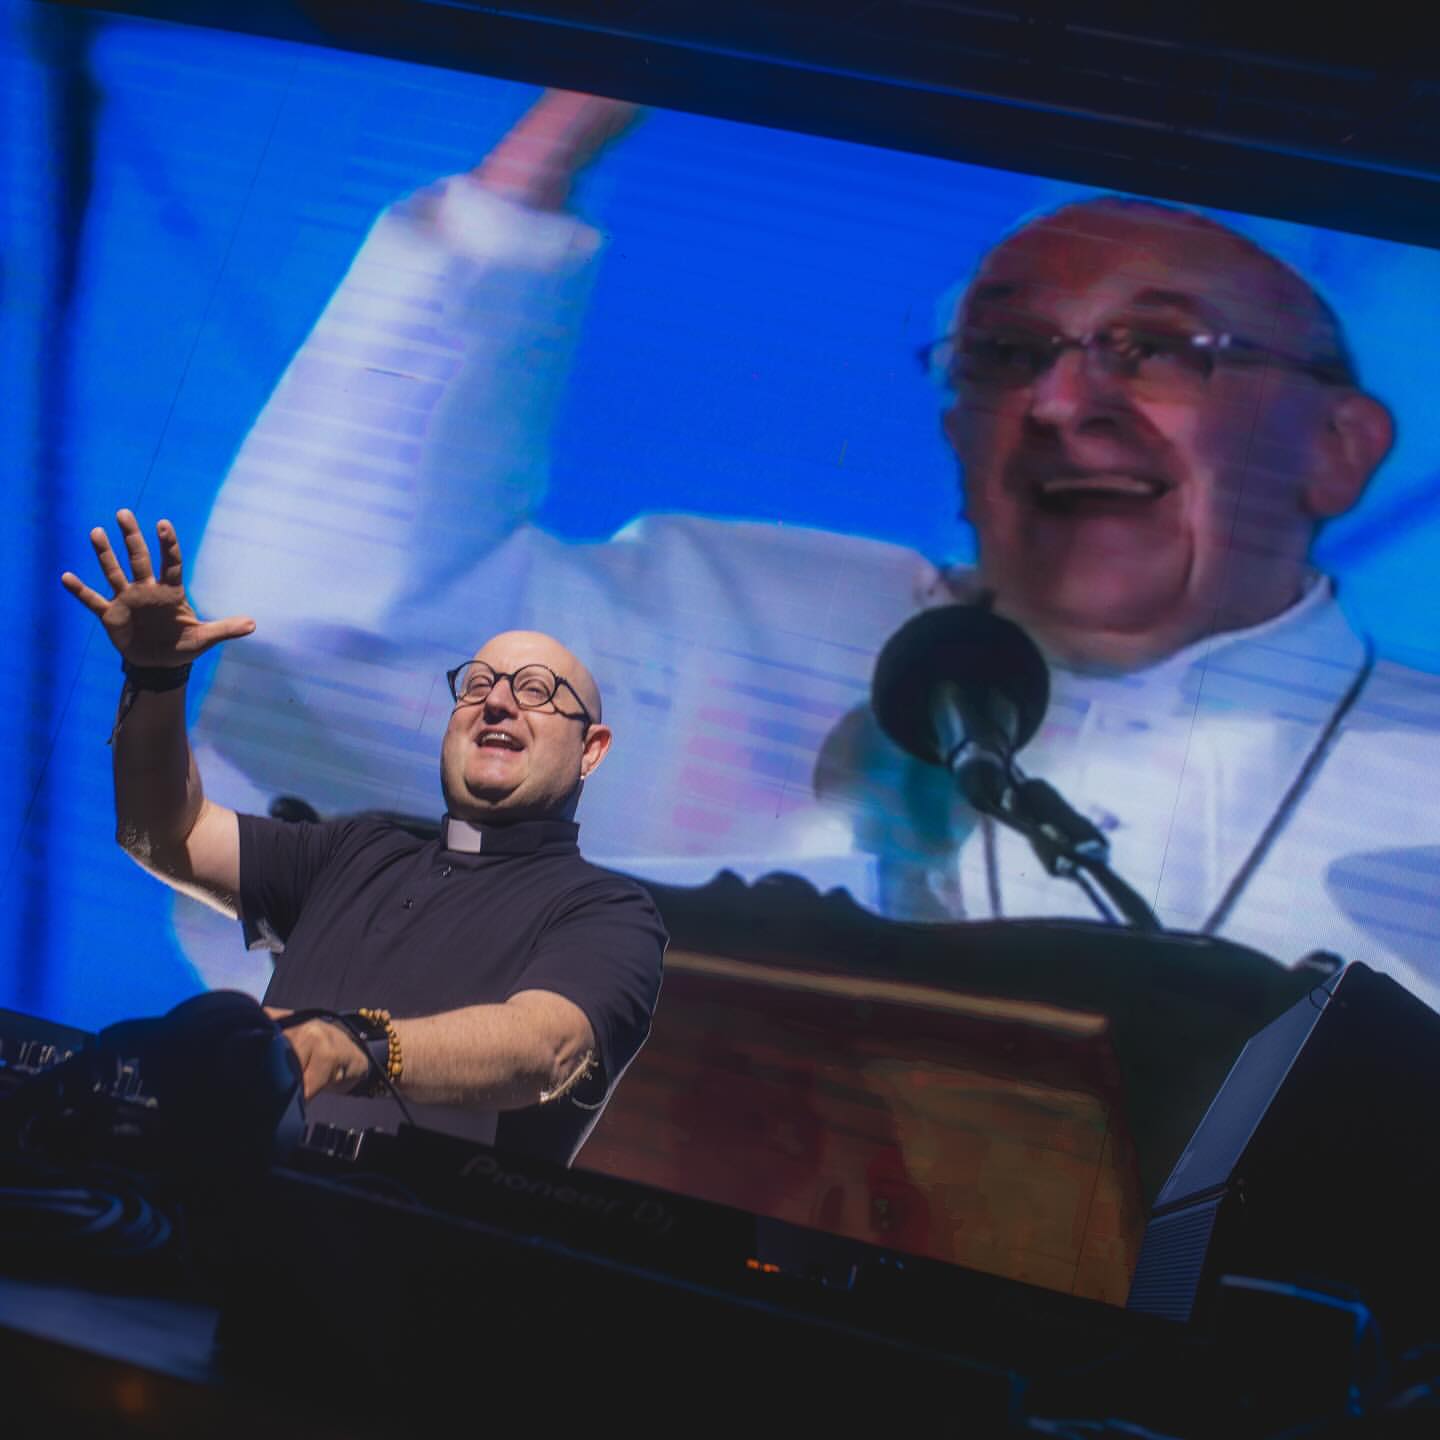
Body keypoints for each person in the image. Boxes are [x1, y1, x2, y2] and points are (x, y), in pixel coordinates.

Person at [182, 92, 1440, 1007]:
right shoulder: (774, 629)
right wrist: (539, 165)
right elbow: (322, 639)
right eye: (1005, 355)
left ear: (1341, 446)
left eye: (1160, 346)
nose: (1065, 402)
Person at [61, 511, 667, 1163]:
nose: (497, 703)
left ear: (592, 750)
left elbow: (547, 1047)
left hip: (418, 1250)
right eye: (478, 685)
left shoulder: (608, 911)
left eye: (537, 691)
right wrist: (155, 681)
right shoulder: (355, 852)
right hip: (227, 1218)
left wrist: (350, 1049)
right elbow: (163, 833)